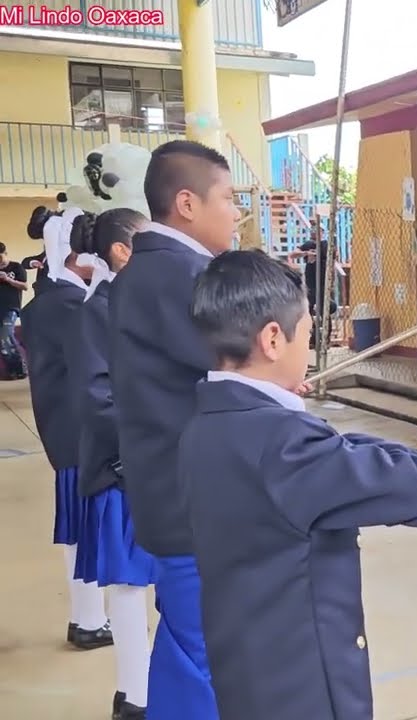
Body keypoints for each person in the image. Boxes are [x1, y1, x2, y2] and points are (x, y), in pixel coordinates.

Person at [182, 249, 417, 720]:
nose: (310, 346)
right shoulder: (286, 443)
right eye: (307, 333)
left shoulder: (205, 424)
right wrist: (306, 423)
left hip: (244, 671)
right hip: (303, 686)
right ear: (273, 340)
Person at [109, 139, 240, 719]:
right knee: (208, 651)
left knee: (188, 645)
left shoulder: (155, 269)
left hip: (170, 490)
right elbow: (233, 371)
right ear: (187, 202)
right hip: (192, 499)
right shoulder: (181, 274)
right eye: (230, 198)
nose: (237, 212)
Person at [68, 209, 155, 720]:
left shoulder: (140, 305)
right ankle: (136, 694)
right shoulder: (96, 311)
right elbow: (98, 399)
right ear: (122, 252)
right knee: (127, 585)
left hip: (151, 462)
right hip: (123, 465)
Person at [20, 206, 114, 648]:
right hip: (81, 432)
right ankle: (90, 620)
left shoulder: (47, 302)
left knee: (79, 532)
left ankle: (86, 617)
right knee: (89, 531)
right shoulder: (74, 306)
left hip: (62, 428)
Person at [0, 240, 29, 380]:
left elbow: (25, 286)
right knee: (2, 340)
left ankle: (20, 366)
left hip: (11, 308)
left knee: (6, 335)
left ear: (5, 254)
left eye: (0, 257)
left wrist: (8, 280)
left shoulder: (16, 267)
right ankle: (11, 371)